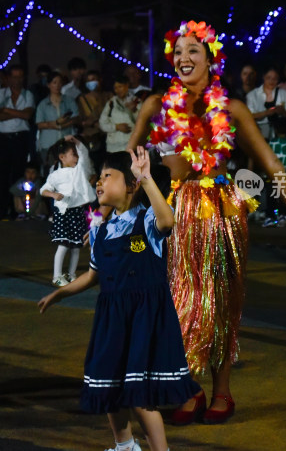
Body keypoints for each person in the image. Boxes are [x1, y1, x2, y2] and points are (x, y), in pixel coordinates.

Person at [129, 20, 286, 424]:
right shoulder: (155, 104)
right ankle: (188, 388)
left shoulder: (231, 108)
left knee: (218, 302)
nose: (184, 58)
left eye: (193, 51)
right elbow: (129, 160)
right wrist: (113, 215)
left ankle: (222, 391)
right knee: (174, 303)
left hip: (217, 209)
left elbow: (270, 163)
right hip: (170, 210)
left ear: (211, 58)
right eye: (178, 51)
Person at [38, 148, 200, 451]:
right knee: (108, 385)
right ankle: (125, 445)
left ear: (130, 185)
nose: (99, 181)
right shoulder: (100, 230)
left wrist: (146, 178)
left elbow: (168, 221)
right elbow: (92, 275)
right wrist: (59, 293)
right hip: (112, 320)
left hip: (144, 318)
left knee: (138, 393)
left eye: (108, 176)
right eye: (98, 176)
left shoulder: (147, 219)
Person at [40, 137, 96, 286]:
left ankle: (71, 274)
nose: (76, 157)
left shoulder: (79, 170)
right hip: (63, 212)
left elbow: (84, 154)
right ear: (62, 157)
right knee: (63, 244)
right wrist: (53, 195)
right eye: (73, 154)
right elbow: (43, 190)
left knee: (76, 246)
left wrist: (77, 142)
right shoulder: (56, 175)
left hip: (77, 211)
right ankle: (57, 276)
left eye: (76, 154)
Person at [0, 65, 35, 219]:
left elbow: (27, 115)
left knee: (18, 174)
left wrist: (7, 110)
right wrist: (18, 114)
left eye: (20, 76)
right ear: (9, 78)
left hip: (20, 137)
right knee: (2, 174)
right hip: (4, 138)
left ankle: (17, 209)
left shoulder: (28, 94)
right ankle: (1, 210)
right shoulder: (1, 94)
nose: (17, 80)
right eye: (14, 76)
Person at [35, 72, 80, 169]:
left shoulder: (69, 100)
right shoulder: (43, 104)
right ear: (48, 85)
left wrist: (63, 125)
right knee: (50, 171)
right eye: (54, 82)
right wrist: (56, 124)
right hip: (48, 144)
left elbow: (76, 118)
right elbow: (39, 124)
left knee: (68, 171)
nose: (57, 85)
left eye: (60, 83)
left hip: (66, 144)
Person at [245, 66, 286, 140]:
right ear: (263, 77)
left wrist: (283, 111)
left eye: (275, 79)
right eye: (269, 78)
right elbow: (249, 116)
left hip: (281, 133)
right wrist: (266, 113)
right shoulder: (252, 95)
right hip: (260, 132)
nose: (271, 81)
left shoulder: (285, 94)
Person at [100, 76, 140, 153]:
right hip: (113, 148)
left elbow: (142, 122)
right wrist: (116, 127)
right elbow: (102, 123)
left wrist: (134, 111)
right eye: (115, 88)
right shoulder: (111, 103)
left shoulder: (136, 101)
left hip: (131, 145)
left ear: (127, 85)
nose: (118, 90)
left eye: (120, 87)